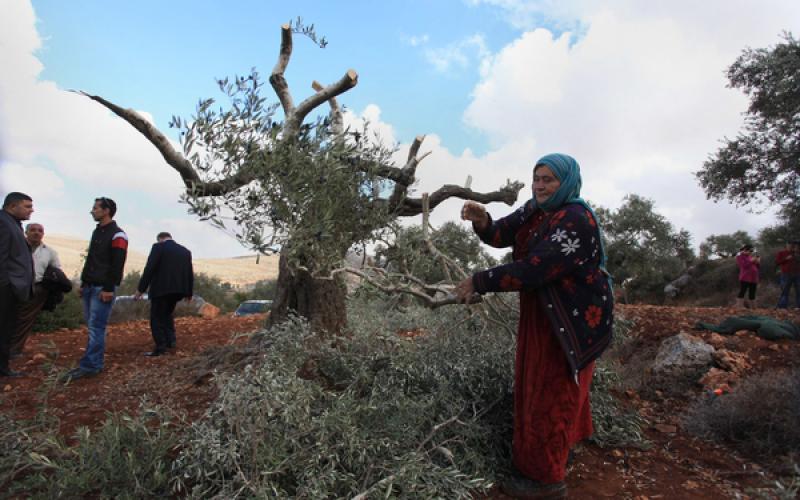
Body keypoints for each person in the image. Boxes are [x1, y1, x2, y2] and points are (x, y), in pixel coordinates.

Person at [455, 153, 613, 499]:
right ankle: (553, 456)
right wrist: (483, 221)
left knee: (551, 393)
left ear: (567, 182)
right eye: (536, 178)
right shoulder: (535, 209)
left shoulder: (576, 219)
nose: (540, 185)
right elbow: (501, 234)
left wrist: (479, 281)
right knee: (539, 385)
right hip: (545, 314)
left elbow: (535, 269)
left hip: (570, 320)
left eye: (548, 180)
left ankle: (546, 480)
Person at [61, 197, 127, 382]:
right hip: (90, 286)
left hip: (102, 289)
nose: (92, 211)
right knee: (92, 327)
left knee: (96, 327)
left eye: (95, 208)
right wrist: (83, 283)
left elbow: (117, 264)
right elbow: (91, 260)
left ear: (106, 211)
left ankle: (91, 366)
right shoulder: (97, 232)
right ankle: (91, 363)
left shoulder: (118, 235)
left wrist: (108, 289)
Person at [135, 232, 193, 356]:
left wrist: (141, 289)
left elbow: (149, 268)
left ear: (160, 239)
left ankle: (160, 348)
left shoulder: (158, 247)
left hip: (160, 290)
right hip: (178, 290)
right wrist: (189, 292)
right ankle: (170, 341)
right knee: (167, 314)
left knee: (156, 318)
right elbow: (189, 272)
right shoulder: (185, 251)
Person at [9, 223, 62, 355]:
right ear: (26, 233)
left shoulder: (50, 252)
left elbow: (57, 271)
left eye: (40, 231)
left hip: (37, 289)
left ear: (43, 234)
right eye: (33, 230)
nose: (36, 233)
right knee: (9, 317)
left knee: (25, 320)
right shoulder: (15, 248)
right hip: (13, 287)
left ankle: (14, 350)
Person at [0, 192, 35, 377]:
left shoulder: (14, 224)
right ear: (13, 206)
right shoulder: (3, 223)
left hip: (12, 289)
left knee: (7, 329)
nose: (32, 210)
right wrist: (6, 286)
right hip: (6, 289)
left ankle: (3, 367)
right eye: (27, 206)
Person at [775, 240, 800, 309]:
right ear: (786, 245)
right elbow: (777, 262)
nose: (792, 246)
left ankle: (798, 307)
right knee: (785, 291)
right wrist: (786, 259)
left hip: (797, 274)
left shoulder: (797, 253)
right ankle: (782, 308)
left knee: (799, 291)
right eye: (790, 245)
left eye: (793, 245)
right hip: (786, 274)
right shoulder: (781, 253)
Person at [735, 244, 760, 309]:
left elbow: (756, 267)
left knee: (752, 293)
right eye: (749, 251)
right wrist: (751, 261)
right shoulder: (739, 257)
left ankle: (754, 307)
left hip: (753, 278)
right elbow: (743, 265)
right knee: (742, 291)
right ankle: (739, 306)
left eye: (751, 251)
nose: (750, 252)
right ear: (744, 250)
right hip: (745, 277)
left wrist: (757, 262)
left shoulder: (750, 257)